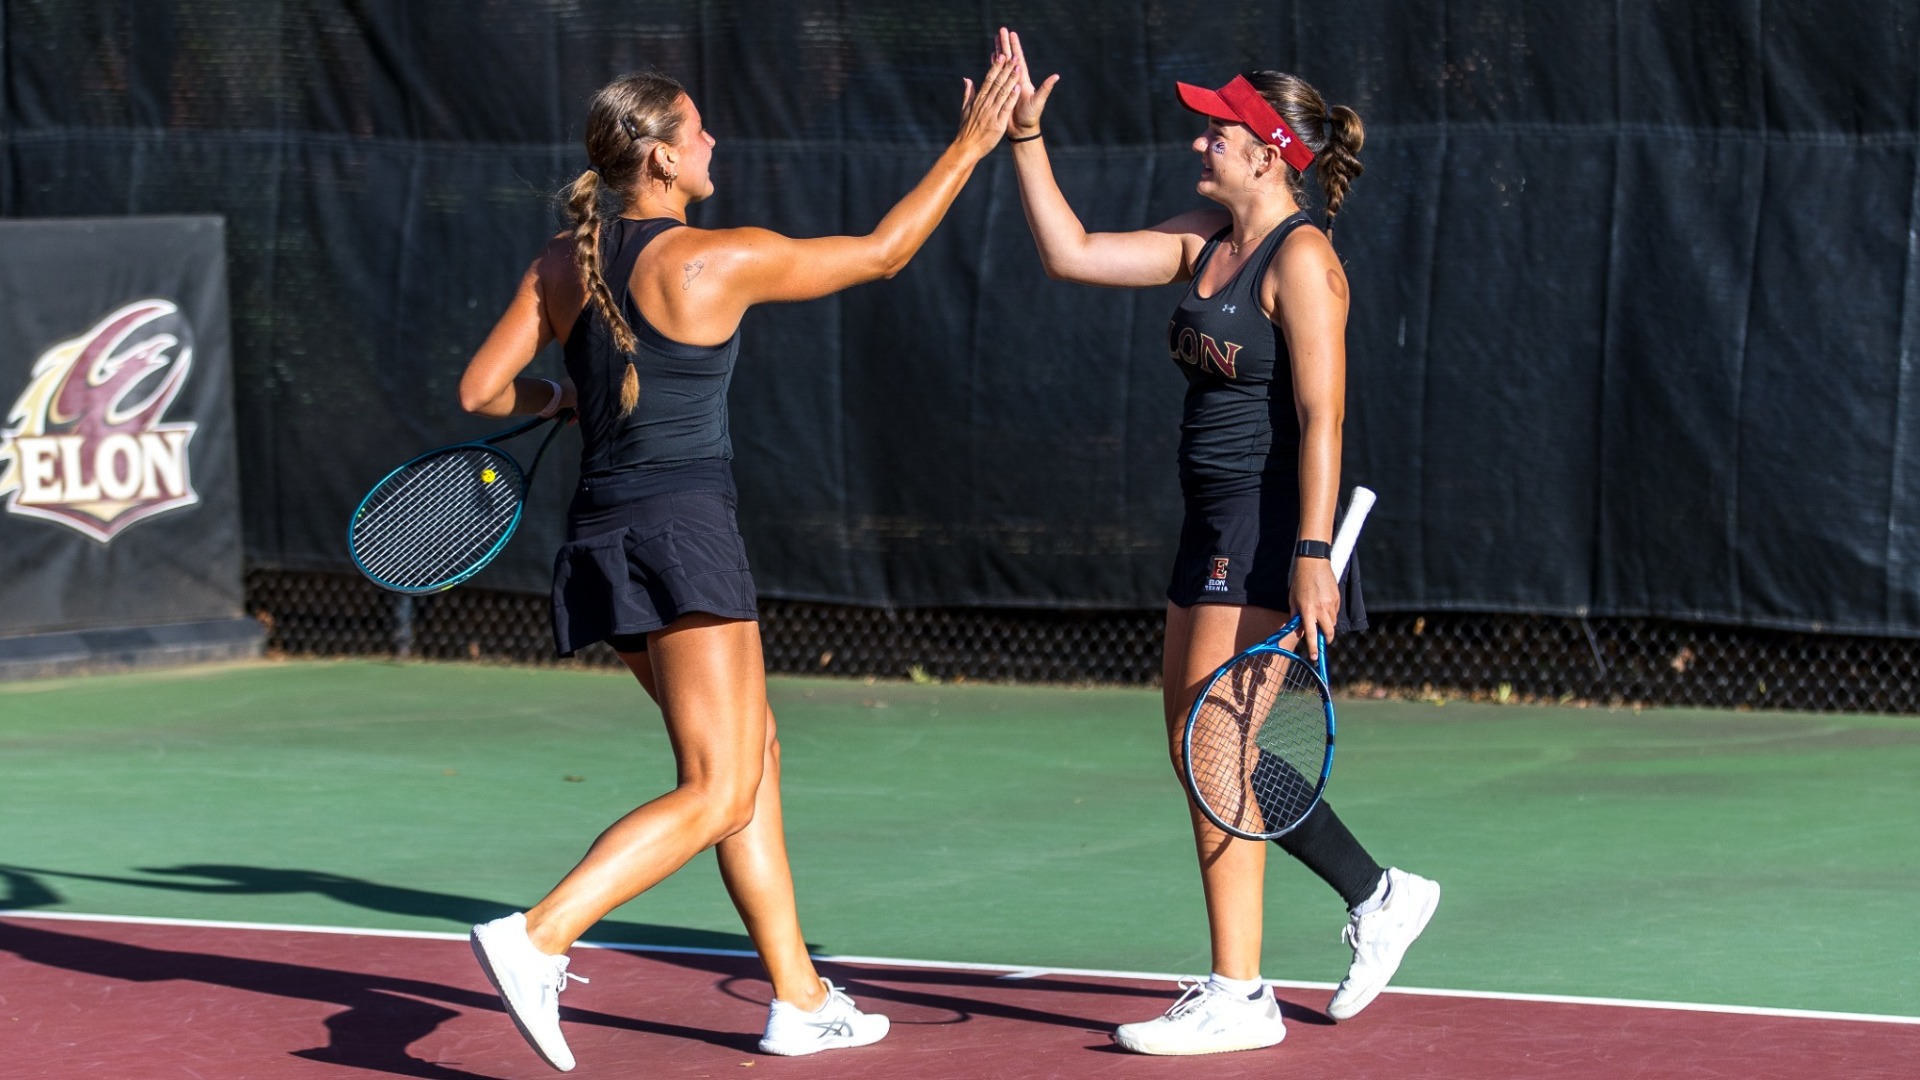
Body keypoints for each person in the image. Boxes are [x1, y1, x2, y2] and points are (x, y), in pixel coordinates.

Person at [456, 61, 1019, 1071]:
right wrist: (974, 143)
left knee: (746, 755)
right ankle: (539, 936)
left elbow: (482, 390)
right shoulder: (715, 259)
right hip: (681, 535)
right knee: (720, 786)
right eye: (701, 132)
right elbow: (885, 253)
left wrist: (562, 399)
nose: (715, 146)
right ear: (665, 156)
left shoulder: (561, 262)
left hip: (599, 539)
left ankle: (799, 997)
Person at [994, 28, 1440, 1055]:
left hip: (1270, 524)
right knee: (1203, 747)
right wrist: (1026, 140)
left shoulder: (1306, 262)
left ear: (1270, 148)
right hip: (1207, 519)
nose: (1201, 142)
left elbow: (1324, 417)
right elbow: (1073, 254)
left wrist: (1315, 555)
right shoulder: (1207, 240)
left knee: (1212, 748)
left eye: (1221, 130)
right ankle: (1379, 895)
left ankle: (1241, 992)